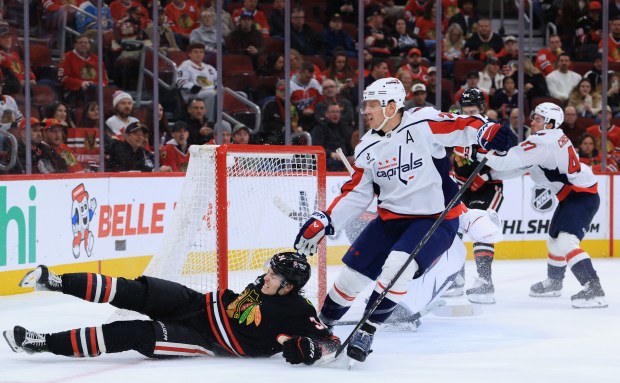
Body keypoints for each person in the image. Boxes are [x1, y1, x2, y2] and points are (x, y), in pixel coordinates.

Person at [293, 77, 514, 362]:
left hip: (434, 219)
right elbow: (356, 194)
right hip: (389, 221)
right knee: (350, 277)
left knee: (399, 266)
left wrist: (487, 130)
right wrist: (326, 219)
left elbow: (460, 126)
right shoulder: (366, 147)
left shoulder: (423, 122)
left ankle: (367, 329)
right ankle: (323, 325)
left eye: (372, 105)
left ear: (392, 105)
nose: (366, 111)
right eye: (365, 105)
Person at [4, 253, 340, 365]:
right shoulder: (268, 284)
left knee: (132, 332)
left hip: (206, 338)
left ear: (290, 287)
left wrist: (309, 349)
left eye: (275, 276)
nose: (267, 277)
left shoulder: (298, 309)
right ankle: (55, 281)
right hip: (198, 303)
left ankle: (41, 342)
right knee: (132, 291)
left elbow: (330, 345)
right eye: (269, 270)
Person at [483, 103, 607, 309]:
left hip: (581, 196)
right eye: (534, 118)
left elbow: (507, 162)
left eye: (538, 119)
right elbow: (520, 166)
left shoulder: (543, 141)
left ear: (550, 124)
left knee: (566, 242)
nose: (532, 122)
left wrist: (482, 154)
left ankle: (594, 288)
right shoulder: (549, 139)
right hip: (574, 195)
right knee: (554, 241)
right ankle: (555, 282)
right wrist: (489, 175)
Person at [443, 88, 513, 304]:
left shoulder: (491, 129)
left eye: (473, 110)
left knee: (481, 229)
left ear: (482, 108)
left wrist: (487, 173)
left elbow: (509, 159)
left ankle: (485, 282)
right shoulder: (457, 125)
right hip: (461, 187)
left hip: (488, 188)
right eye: (465, 110)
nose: (468, 115)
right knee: (453, 231)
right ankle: (455, 278)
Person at [58, 34, 109, 104]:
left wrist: (102, 85)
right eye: (80, 42)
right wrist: (81, 83)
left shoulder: (96, 58)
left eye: (86, 43)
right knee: (91, 89)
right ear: (75, 45)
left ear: (89, 45)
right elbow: (62, 78)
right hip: (76, 91)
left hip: (97, 89)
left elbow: (104, 78)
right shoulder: (66, 57)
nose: (83, 45)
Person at [176, 43, 218, 122]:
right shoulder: (185, 66)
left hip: (211, 91)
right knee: (211, 94)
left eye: (201, 52)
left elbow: (217, 81)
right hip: (193, 95)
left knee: (240, 94)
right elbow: (180, 82)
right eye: (196, 52)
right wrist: (194, 87)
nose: (198, 54)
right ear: (189, 54)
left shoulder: (209, 68)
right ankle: (209, 122)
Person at [311, 102, 353, 171]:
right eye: (332, 112)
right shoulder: (319, 128)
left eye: (337, 112)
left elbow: (348, 146)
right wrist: (330, 153)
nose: (335, 114)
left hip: (343, 158)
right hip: (326, 159)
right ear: (326, 114)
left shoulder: (343, 127)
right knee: (335, 163)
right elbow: (316, 147)